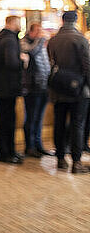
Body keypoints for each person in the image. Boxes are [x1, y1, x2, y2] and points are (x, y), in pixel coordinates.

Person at [47, 11, 90, 173]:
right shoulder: (80, 39)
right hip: (79, 90)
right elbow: (87, 66)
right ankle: (77, 162)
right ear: (76, 20)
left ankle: (60, 159)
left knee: (59, 123)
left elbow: (50, 64)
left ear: (63, 20)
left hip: (58, 88)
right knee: (77, 125)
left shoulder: (53, 40)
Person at [0, 16, 25, 164]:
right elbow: (11, 62)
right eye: (19, 22)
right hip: (8, 85)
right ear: (13, 23)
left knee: (3, 118)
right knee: (8, 119)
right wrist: (23, 60)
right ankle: (7, 153)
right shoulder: (9, 39)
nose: (20, 25)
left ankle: (5, 151)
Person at [20, 23, 53, 158]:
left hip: (44, 85)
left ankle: (39, 146)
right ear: (31, 32)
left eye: (41, 30)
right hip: (31, 87)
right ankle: (30, 147)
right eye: (38, 31)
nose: (40, 33)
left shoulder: (41, 43)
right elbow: (32, 53)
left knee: (39, 118)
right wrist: (41, 41)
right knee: (31, 117)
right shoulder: (23, 42)